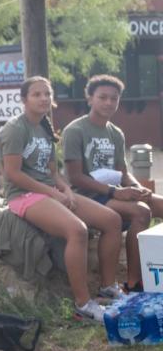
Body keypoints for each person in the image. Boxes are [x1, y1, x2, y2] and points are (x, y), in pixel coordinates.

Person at [0, 76, 122, 323]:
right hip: (22, 195)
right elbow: (13, 174)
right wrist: (52, 193)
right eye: (36, 94)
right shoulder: (15, 128)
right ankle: (83, 305)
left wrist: (65, 190)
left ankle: (108, 287)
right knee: (77, 231)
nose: (44, 98)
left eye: (47, 94)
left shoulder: (44, 127)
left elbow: (53, 172)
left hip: (48, 190)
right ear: (24, 100)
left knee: (112, 220)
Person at [62, 74, 153, 292]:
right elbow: (75, 177)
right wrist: (115, 192)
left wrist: (136, 187)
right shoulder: (75, 130)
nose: (109, 103)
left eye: (114, 98)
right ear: (89, 99)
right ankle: (133, 282)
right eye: (102, 97)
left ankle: (151, 271)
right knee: (141, 213)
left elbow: (122, 172)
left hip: (113, 191)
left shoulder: (116, 133)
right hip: (88, 195)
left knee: (157, 203)